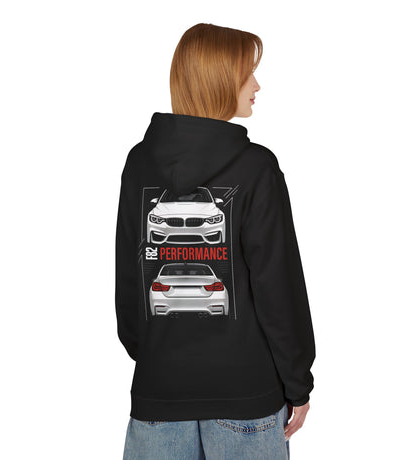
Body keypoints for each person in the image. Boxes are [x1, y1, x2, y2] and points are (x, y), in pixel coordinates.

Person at [115, 23, 316, 460]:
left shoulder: (139, 163)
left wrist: (157, 357)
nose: (257, 85)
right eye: (247, 74)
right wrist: (297, 382)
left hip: (158, 394)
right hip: (246, 396)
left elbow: (130, 280)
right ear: (220, 80)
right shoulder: (256, 168)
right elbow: (277, 287)